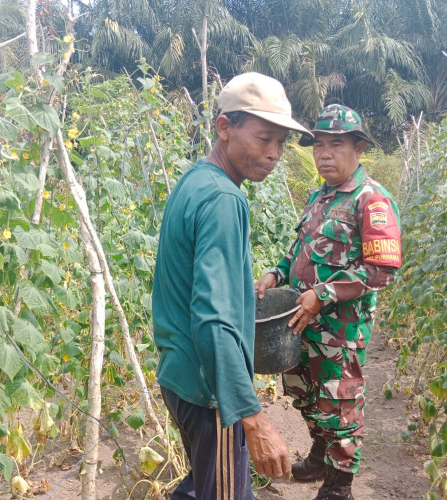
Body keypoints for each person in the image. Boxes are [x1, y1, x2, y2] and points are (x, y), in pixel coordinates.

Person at [152, 72, 312, 499]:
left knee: (205, 486)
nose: (275, 153)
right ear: (224, 127)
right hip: (211, 393)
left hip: (182, 374)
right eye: (264, 138)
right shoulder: (224, 198)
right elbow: (214, 319)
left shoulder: (195, 181)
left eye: (281, 142)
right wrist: (251, 417)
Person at [254, 104, 402, 500]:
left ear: (358, 148)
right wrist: (276, 273)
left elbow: (381, 271)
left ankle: (339, 488)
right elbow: (301, 251)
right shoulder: (319, 197)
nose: (323, 154)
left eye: (335, 145)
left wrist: (323, 295)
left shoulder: (371, 201)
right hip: (300, 323)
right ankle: (320, 457)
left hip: (339, 329)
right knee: (305, 395)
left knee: (339, 406)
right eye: (318, 145)